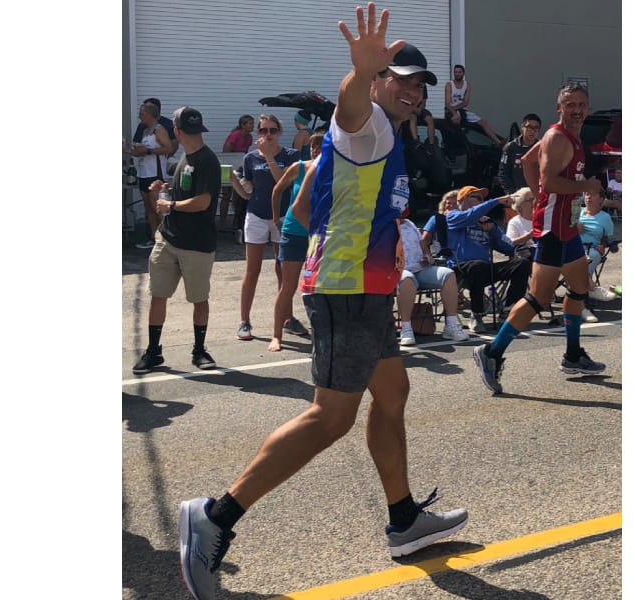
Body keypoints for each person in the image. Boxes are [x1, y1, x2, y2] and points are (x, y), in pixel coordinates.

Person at [179, 7, 467, 600]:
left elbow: (306, 211)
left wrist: (346, 237)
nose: (413, 91)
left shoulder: (364, 140)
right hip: (347, 289)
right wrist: (359, 74)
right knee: (331, 417)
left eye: (420, 84)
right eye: (402, 78)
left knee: (392, 393)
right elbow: (349, 106)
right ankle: (215, 516)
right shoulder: (367, 125)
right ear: (380, 81)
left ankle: (405, 518)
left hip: (366, 285)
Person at [473, 82, 606, 395]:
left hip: (567, 226)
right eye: (569, 104)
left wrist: (538, 194)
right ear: (559, 108)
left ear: (587, 107)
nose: (576, 109)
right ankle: (491, 353)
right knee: (538, 298)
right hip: (552, 229)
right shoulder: (558, 137)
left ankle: (573, 355)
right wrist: (586, 184)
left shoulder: (563, 136)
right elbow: (550, 181)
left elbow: (529, 162)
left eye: (581, 104)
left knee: (579, 288)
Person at [132, 106, 221, 374]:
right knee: (158, 294)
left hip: (196, 243)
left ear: (178, 131)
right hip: (168, 238)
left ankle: (199, 350)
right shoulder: (186, 156)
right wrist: (166, 186)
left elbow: (203, 201)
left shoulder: (206, 160)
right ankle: (153, 351)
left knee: (198, 298)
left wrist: (170, 206)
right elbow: (186, 189)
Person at [230, 114, 306, 341]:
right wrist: (234, 182)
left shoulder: (290, 155)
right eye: (263, 131)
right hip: (256, 215)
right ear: (258, 133)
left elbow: (283, 183)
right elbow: (248, 192)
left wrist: (271, 158)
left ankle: (287, 317)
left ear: (280, 132)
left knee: (283, 269)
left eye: (272, 130)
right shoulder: (250, 158)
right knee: (252, 270)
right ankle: (244, 321)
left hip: (282, 217)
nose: (268, 135)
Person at [266, 132, 324, 352]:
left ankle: (321, 333)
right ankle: (276, 335)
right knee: (287, 286)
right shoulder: (298, 167)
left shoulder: (331, 172)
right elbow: (277, 189)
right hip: (293, 232)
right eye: (313, 146)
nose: (315, 149)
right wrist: (276, 219)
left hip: (317, 235)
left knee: (318, 288)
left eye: (320, 146)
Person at [446, 186, 531, 333]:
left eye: (482, 199)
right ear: (462, 200)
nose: (481, 201)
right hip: (459, 269)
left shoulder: (486, 222)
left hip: (484, 269)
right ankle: (477, 315)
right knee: (477, 266)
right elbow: (470, 215)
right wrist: (496, 201)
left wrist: (492, 231)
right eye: (477, 198)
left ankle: (508, 309)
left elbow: (508, 247)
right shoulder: (453, 216)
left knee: (521, 263)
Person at [396, 209, 469, 346]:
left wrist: (428, 255)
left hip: (420, 268)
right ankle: (406, 328)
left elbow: (423, 244)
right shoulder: (383, 226)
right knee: (406, 279)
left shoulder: (410, 224)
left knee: (448, 274)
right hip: (398, 270)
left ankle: (451, 325)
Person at [131, 102, 172, 249]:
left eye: (141, 113)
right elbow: (140, 151)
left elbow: (168, 148)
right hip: (143, 172)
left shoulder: (159, 129)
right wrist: (129, 150)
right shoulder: (144, 130)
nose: (139, 116)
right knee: (149, 208)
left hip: (155, 173)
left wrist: (148, 151)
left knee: (158, 208)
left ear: (149, 114)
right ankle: (155, 239)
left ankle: (168, 239)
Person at [578, 189, 617, 322]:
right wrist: (574, 229)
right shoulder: (576, 212)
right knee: (577, 264)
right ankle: (592, 287)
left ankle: (588, 292)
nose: (588, 197)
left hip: (593, 249)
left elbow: (606, 237)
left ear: (600, 199)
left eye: (592, 194)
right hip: (573, 248)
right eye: (586, 194)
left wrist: (603, 245)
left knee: (590, 258)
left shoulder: (605, 217)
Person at [444, 64, 504, 147]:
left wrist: (456, 108)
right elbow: (447, 103)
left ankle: (499, 142)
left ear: (463, 73)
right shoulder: (449, 85)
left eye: (459, 72)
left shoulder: (467, 85)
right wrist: (453, 112)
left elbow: (465, 103)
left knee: (483, 122)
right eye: (455, 72)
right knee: (456, 120)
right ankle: (456, 147)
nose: (457, 74)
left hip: (461, 110)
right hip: (450, 111)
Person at [220, 115, 254, 233]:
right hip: (228, 166)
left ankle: (237, 222)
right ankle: (222, 223)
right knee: (226, 195)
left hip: (239, 169)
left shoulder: (249, 137)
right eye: (249, 123)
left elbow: (245, 153)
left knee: (238, 195)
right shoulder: (235, 135)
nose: (252, 126)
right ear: (242, 125)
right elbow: (226, 153)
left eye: (252, 123)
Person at [498, 113, 542, 200]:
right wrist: (513, 194)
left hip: (536, 197)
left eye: (536, 128)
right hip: (516, 197)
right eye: (529, 127)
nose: (532, 131)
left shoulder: (543, 148)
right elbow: (503, 174)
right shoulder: (511, 147)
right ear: (522, 127)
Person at [505, 187, 536, 262]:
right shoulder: (515, 222)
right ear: (520, 206)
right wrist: (527, 236)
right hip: (528, 255)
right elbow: (509, 242)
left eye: (534, 199)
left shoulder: (543, 218)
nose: (534, 202)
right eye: (530, 200)